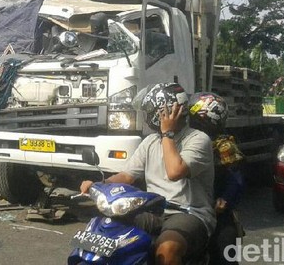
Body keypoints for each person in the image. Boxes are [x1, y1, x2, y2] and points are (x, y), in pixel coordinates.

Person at [79, 83, 216, 265]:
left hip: (188, 212)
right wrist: (98, 185)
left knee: (167, 249)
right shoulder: (151, 141)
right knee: (108, 231)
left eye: (151, 111)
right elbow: (127, 176)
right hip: (154, 209)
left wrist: (168, 133)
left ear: (168, 111)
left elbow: (175, 172)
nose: (149, 117)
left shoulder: (198, 139)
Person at [188, 92, 245, 265]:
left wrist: (224, 200)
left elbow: (236, 179)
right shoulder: (185, 139)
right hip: (188, 205)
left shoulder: (224, 145)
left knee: (223, 247)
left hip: (216, 209)